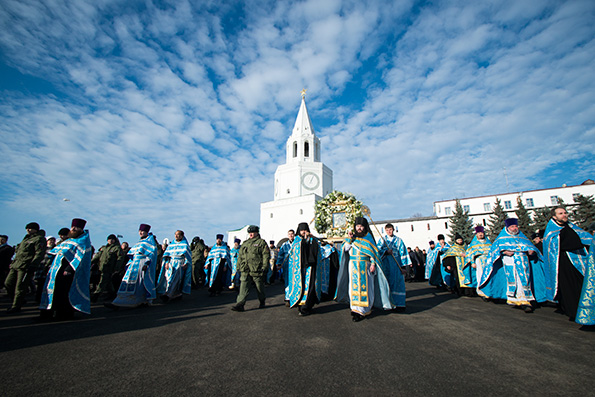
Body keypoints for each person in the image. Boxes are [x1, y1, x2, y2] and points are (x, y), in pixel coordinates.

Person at [479, 218, 546, 313]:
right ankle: (520, 300)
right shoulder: (501, 238)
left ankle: (526, 299)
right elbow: (494, 251)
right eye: (512, 226)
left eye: (516, 226)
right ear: (507, 228)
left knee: (525, 280)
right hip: (510, 262)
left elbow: (531, 247)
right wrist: (505, 251)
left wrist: (532, 251)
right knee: (515, 280)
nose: (515, 228)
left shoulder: (522, 237)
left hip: (523, 262)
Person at [543, 206, 595, 326]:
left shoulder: (571, 227)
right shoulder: (552, 231)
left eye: (565, 213)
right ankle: (574, 312)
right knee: (571, 288)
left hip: (581, 260)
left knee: (583, 284)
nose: (564, 215)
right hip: (564, 264)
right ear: (554, 217)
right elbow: (555, 245)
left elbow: (585, 238)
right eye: (560, 213)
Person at [335, 217, 393, 322]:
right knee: (353, 288)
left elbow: (373, 253)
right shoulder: (352, 238)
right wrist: (349, 239)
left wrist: (373, 264)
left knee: (366, 288)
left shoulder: (368, 237)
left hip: (365, 265)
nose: (359, 228)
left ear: (364, 227)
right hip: (353, 266)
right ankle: (355, 309)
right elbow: (346, 249)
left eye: (361, 226)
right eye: (357, 226)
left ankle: (364, 309)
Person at [39, 218, 92, 320]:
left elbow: (80, 257)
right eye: (72, 227)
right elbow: (57, 253)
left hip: (68, 272)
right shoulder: (68, 240)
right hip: (56, 270)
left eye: (75, 227)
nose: (73, 229)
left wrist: (69, 269)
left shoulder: (83, 242)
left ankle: (64, 313)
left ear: (81, 229)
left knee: (63, 292)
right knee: (53, 291)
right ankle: (47, 313)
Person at [106, 224, 158, 309]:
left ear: (146, 232)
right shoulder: (139, 242)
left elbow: (152, 254)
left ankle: (138, 300)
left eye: (143, 231)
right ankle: (119, 301)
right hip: (134, 264)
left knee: (139, 283)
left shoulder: (150, 241)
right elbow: (132, 254)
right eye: (140, 231)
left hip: (142, 263)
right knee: (126, 282)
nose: (141, 232)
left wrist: (146, 264)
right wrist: (130, 263)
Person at [5, 222, 45, 313]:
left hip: (26, 266)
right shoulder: (25, 239)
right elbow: (19, 252)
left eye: (30, 228)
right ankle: (19, 300)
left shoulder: (39, 239)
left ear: (36, 229)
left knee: (20, 287)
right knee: (8, 283)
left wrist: (33, 265)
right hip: (16, 265)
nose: (28, 230)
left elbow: (39, 253)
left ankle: (16, 305)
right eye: (27, 228)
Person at [231, 225, 270, 312]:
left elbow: (266, 255)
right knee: (243, 287)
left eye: (252, 232)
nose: (251, 234)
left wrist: (265, 266)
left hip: (257, 268)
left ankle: (262, 300)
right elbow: (240, 256)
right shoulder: (245, 243)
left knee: (259, 287)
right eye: (249, 233)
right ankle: (240, 304)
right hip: (245, 268)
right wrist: (238, 267)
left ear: (257, 233)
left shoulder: (261, 243)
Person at [287, 222, 322, 316]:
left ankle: (307, 306)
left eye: (305, 230)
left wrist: (310, 240)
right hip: (300, 269)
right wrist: (304, 241)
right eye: (302, 230)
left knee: (310, 287)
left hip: (310, 269)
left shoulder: (313, 240)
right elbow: (294, 253)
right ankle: (300, 306)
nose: (304, 232)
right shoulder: (297, 241)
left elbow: (317, 251)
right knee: (300, 287)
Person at [376, 223, 410, 310]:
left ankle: (399, 304)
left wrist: (403, 267)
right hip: (386, 265)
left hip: (396, 265)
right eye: (387, 230)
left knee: (398, 284)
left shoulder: (399, 241)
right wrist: (386, 252)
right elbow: (378, 251)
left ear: (393, 230)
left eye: (390, 230)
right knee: (387, 284)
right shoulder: (382, 240)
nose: (389, 232)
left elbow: (403, 253)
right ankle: (388, 304)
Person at [157, 230, 192, 303]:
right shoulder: (171, 244)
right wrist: (166, 262)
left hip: (179, 263)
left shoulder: (185, 245)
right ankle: (173, 294)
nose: (176, 236)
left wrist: (186, 263)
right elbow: (167, 255)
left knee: (175, 280)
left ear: (182, 236)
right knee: (168, 278)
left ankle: (169, 294)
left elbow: (188, 256)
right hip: (171, 263)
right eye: (175, 234)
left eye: (178, 235)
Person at [91, 234, 124, 303]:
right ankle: (113, 296)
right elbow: (97, 256)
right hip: (102, 268)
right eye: (109, 239)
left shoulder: (116, 248)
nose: (110, 241)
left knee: (102, 282)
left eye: (112, 239)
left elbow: (120, 259)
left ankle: (95, 296)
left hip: (110, 268)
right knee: (108, 283)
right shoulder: (104, 248)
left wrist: (117, 268)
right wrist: (90, 263)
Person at [466, 226, 491, 298]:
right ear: (476, 234)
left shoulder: (488, 242)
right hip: (479, 261)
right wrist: (472, 262)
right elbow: (469, 253)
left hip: (488, 261)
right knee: (480, 275)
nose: (480, 234)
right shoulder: (473, 243)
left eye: (482, 233)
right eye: (479, 233)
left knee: (489, 275)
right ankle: (481, 291)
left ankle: (489, 291)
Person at [276, 229, 296, 305]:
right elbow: (280, 255)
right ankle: (287, 298)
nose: (291, 235)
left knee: (295, 281)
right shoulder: (284, 245)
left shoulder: (297, 244)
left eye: (292, 234)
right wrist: (278, 263)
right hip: (287, 265)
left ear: (294, 235)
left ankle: (295, 297)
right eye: (289, 234)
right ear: (288, 235)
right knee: (287, 281)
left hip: (295, 266)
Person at [34, 236, 56, 303]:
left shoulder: (55, 249)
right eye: (50, 240)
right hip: (41, 267)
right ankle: (38, 299)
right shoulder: (42, 249)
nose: (51, 241)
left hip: (49, 268)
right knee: (40, 285)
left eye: (53, 240)